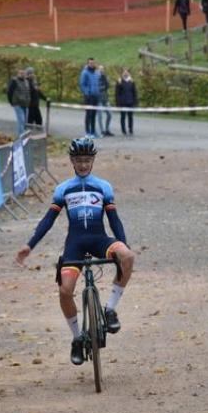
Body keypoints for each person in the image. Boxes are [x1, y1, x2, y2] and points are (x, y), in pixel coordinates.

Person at [16, 138, 134, 365]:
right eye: (79, 160)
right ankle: (78, 338)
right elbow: (48, 221)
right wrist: (29, 245)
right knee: (64, 290)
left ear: (93, 161)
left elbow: (114, 219)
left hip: (100, 239)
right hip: (75, 245)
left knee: (128, 256)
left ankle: (109, 310)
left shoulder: (103, 187)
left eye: (87, 160)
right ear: (72, 161)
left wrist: (123, 243)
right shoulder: (63, 189)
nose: (83, 165)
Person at [79, 58, 101, 138]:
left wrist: (98, 92)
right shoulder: (85, 72)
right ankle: (87, 132)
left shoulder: (96, 72)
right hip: (89, 97)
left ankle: (93, 131)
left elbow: (98, 83)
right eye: (90, 63)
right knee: (89, 114)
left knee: (94, 115)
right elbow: (82, 84)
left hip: (96, 96)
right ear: (88, 64)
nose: (92, 64)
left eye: (93, 63)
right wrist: (87, 93)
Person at [7, 69, 31, 137]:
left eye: (24, 73)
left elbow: (28, 92)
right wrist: (11, 102)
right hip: (17, 103)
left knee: (25, 121)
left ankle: (23, 135)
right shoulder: (14, 81)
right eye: (21, 73)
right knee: (21, 120)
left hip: (26, 104)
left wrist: (29, 100)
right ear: (18, 74)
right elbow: (9, 92)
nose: (22, 75)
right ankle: (21, 137)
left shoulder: (26, 81)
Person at [115, 68, 138, 136]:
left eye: (126, 72)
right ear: (122, 74)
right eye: (124, 72)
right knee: (123, 117)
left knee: (130, 117)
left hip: (130, 101)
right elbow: (117, 93)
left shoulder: (132, 81)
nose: (125, 73)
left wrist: (135, 102)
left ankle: (130, 129)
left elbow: (134, 92)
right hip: (122, 102)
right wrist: (118, 103)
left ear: (128, 73)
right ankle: (123, 130)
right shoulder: (119, 81)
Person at [96, 65, 114, 137]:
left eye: (103, 69)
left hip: (105, 98)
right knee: (100, 116)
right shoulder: (96, 77)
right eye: (100, 69)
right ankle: (102, 131)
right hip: (98, 99)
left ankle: (107, 129)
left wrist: (106, 80)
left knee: (110, 114)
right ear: (98, 70)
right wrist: (102, 87)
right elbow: (98, 87)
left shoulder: (104, 77)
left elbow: (107, 86)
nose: (102, 70)